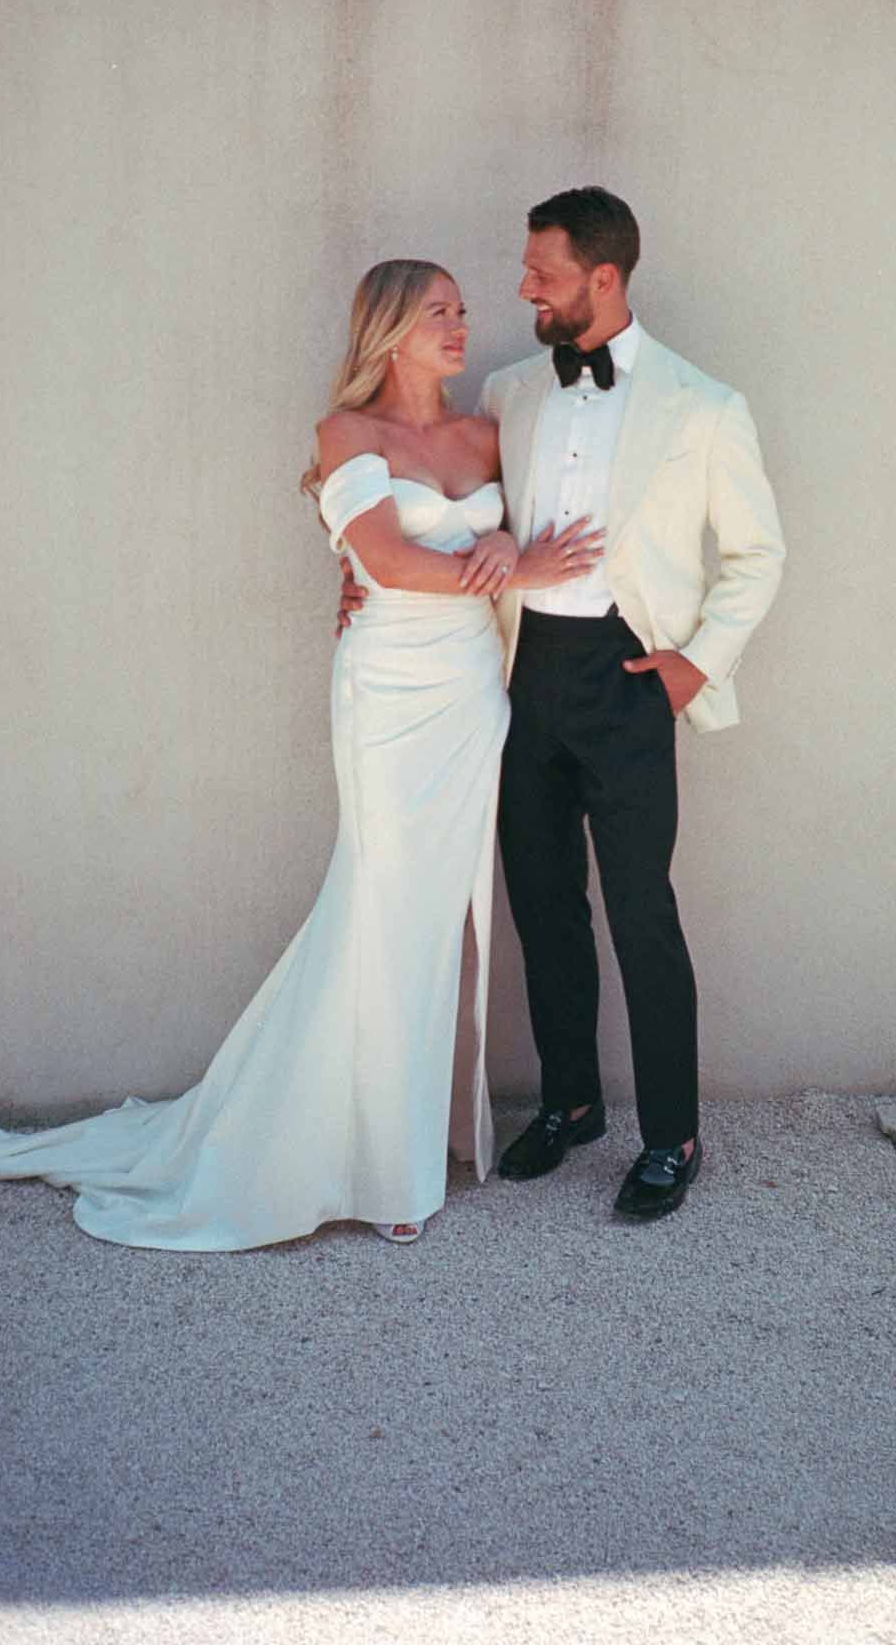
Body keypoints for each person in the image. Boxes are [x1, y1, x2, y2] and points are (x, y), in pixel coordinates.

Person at [0, 259, 601, 1249]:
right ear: (388, 330)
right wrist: (512, 565)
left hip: (471, 695)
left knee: (440, 916)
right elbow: (389, 561)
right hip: (388, 693)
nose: (458, 324)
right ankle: (374, 1165)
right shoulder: (346, 433)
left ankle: (407, 1134)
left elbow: (502, 543)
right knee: (382, 904)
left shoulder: (484, 434)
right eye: (435, 311)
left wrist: (508, 555)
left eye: (460, 309)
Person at [341, 190, 786, 1221]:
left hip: (631, 679)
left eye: (541, 272)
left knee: (641, 910)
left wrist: (695, 665)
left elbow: (758, 555)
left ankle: (672, 1135)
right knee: (543, 905)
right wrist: (358, 579)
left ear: (603, 277)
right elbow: (423, 504)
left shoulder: (705, 406)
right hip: (519, 675)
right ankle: (570, 1102)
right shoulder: (507, 394)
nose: (523, 288)